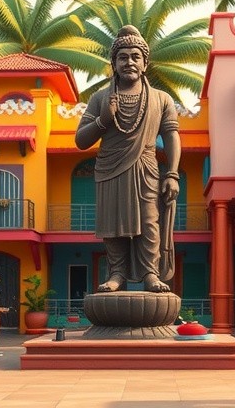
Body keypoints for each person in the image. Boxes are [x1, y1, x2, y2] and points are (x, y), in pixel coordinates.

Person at [75, 25, 181, 293]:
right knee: (114, 225)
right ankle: (117, 273)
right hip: (110, 167)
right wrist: (103, 120)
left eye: (135, 56)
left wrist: (173, 174)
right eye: (123, 57)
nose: (129, 62)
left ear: (145, 63)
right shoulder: (100, 98)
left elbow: (171, 136)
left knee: (148, 222)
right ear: (114, 63)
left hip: (146, 168)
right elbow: (81, 140)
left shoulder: (161, 99)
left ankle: (150, 273)